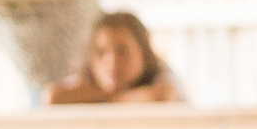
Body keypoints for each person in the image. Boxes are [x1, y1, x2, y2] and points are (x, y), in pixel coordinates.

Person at [45, 11, 180, 104]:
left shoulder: (161, 74)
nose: (112, 61)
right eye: (101, 52)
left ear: (144, 53)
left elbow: (163, 95)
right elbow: (53, 97)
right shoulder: (85, 79)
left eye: (123, 51)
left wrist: (107, 98)